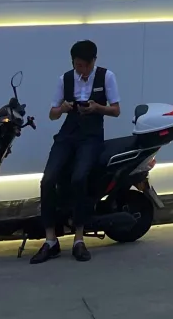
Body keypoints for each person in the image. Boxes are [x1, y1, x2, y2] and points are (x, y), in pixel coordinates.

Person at [30, 39, 121, 264]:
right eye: (78, 65)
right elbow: (52, 114)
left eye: (86, 65)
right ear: (72, 62)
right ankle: (50, 240)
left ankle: (79, 239)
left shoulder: (106, 76)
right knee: (48, 180)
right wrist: (62, 109)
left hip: (91, 136)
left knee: (79, 178)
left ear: (94, 61)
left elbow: (116, 110)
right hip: (67, 135)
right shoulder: (65, 79)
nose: (82, 70)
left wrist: (97, 108)